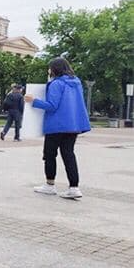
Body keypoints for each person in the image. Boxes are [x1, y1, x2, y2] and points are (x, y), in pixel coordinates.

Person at [25, 57, 90, 199]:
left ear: (54, 69)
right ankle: (74, 187)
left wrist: (33, 101)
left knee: (49, 155)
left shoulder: (56, 84)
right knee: (69, 155)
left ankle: (50, 185)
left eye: (49, 68)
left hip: (56, 125)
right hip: (73, 125)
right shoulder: (76, 83)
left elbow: (52, 105)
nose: (48, 71)